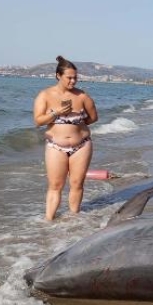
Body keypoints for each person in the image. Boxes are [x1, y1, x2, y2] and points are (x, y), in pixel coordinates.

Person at [33, 56, 99, 221]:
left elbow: (93, 117)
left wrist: (77, 124)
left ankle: (73, 221)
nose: (73, 81)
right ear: (58, 76)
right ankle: (48, 221)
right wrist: (57, 113)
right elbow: (38, 121)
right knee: (55, 186)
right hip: (56, 146)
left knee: (77, 184)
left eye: (75, 77)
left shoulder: (82, 96)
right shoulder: (45, 95)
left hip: (81, 145)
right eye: (69, 77)